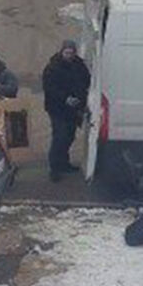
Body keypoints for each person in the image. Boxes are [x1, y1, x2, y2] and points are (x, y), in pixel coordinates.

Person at [41, 40, 90, 182]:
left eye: (71, 53)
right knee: (60, 136)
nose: (69, 55)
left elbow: (86, 81)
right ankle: (54, 168)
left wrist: (82, 99)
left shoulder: (79, 65)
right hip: (58, 108)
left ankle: (64, 163)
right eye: (66, 52)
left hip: (73, 108)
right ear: (62, 52)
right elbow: (50, 88)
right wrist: (65, 98)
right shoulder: (52, 67)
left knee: (69, 136)